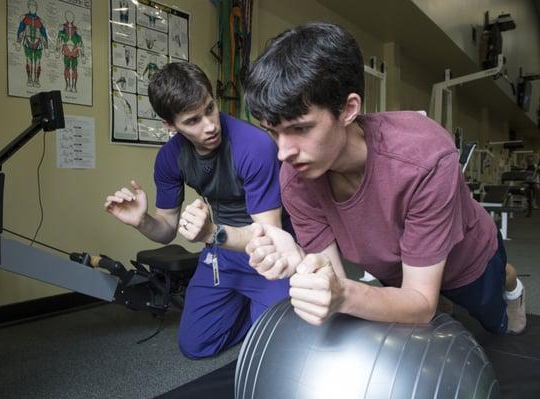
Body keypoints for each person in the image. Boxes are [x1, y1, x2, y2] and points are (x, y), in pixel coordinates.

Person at [242, 22, 526, 335]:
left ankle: (511, 281)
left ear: (349, 109)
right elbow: (334, 283)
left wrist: (348, 294)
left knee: (494, 329)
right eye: (274, 131)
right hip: (395, 269)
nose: (283, 153)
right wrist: (300, 263)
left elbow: (417, 301)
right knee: (429, 326)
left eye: (300, 128)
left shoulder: (425, 158)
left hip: (468, 262)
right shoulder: (296, 177)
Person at [104, 62, 291, 358]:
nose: (210, 125)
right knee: (195, 346)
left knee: (276, 350)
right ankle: (250, 312)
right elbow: (166, 229)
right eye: (193, 120)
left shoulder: (254, 145)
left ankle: (263, 317)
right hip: (222, 252)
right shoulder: (170, 158)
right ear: (170, 125)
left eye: (209, 108)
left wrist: (211, 233)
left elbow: (271, 235)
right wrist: (142, 221)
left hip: (269, 253)